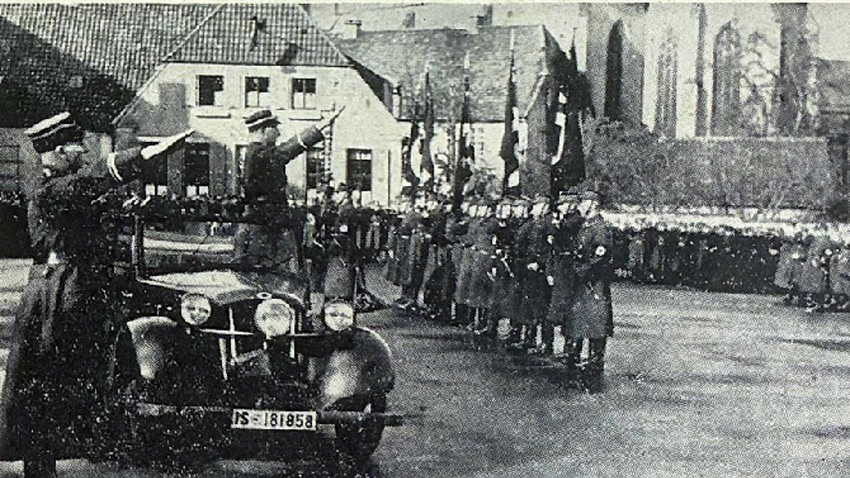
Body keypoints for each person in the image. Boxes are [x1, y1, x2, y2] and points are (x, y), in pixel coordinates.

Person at [0, 112, 192, 477]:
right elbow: (95, 179)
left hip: (74, 288)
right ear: (56, 152)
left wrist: (127, 208)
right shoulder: (50, 189)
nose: (82, 151)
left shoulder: (65, 190)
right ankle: (41, 466)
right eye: (75, 146)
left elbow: (93, 206)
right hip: (60, 295)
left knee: (71, 380)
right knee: (50, 382)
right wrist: (148, 154)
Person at [235, 107, 343, 271]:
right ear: (264, 130)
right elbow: (284, 152)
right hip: (265, 225)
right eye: (275, 129)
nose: (278, 133)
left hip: (266, 222)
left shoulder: (258, 152)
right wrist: (318, 128)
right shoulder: (258, 153)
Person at [566, 192, 614, 392]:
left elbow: (600, 257)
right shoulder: (585, 226)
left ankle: (595, 360)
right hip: (582, 280)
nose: (580, 205)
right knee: (580, 319)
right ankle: (577, 357)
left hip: (593, 282)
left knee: (596, 321)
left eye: (584, 202)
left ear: (593, 204)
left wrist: (583, 272)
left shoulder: (600, 228)